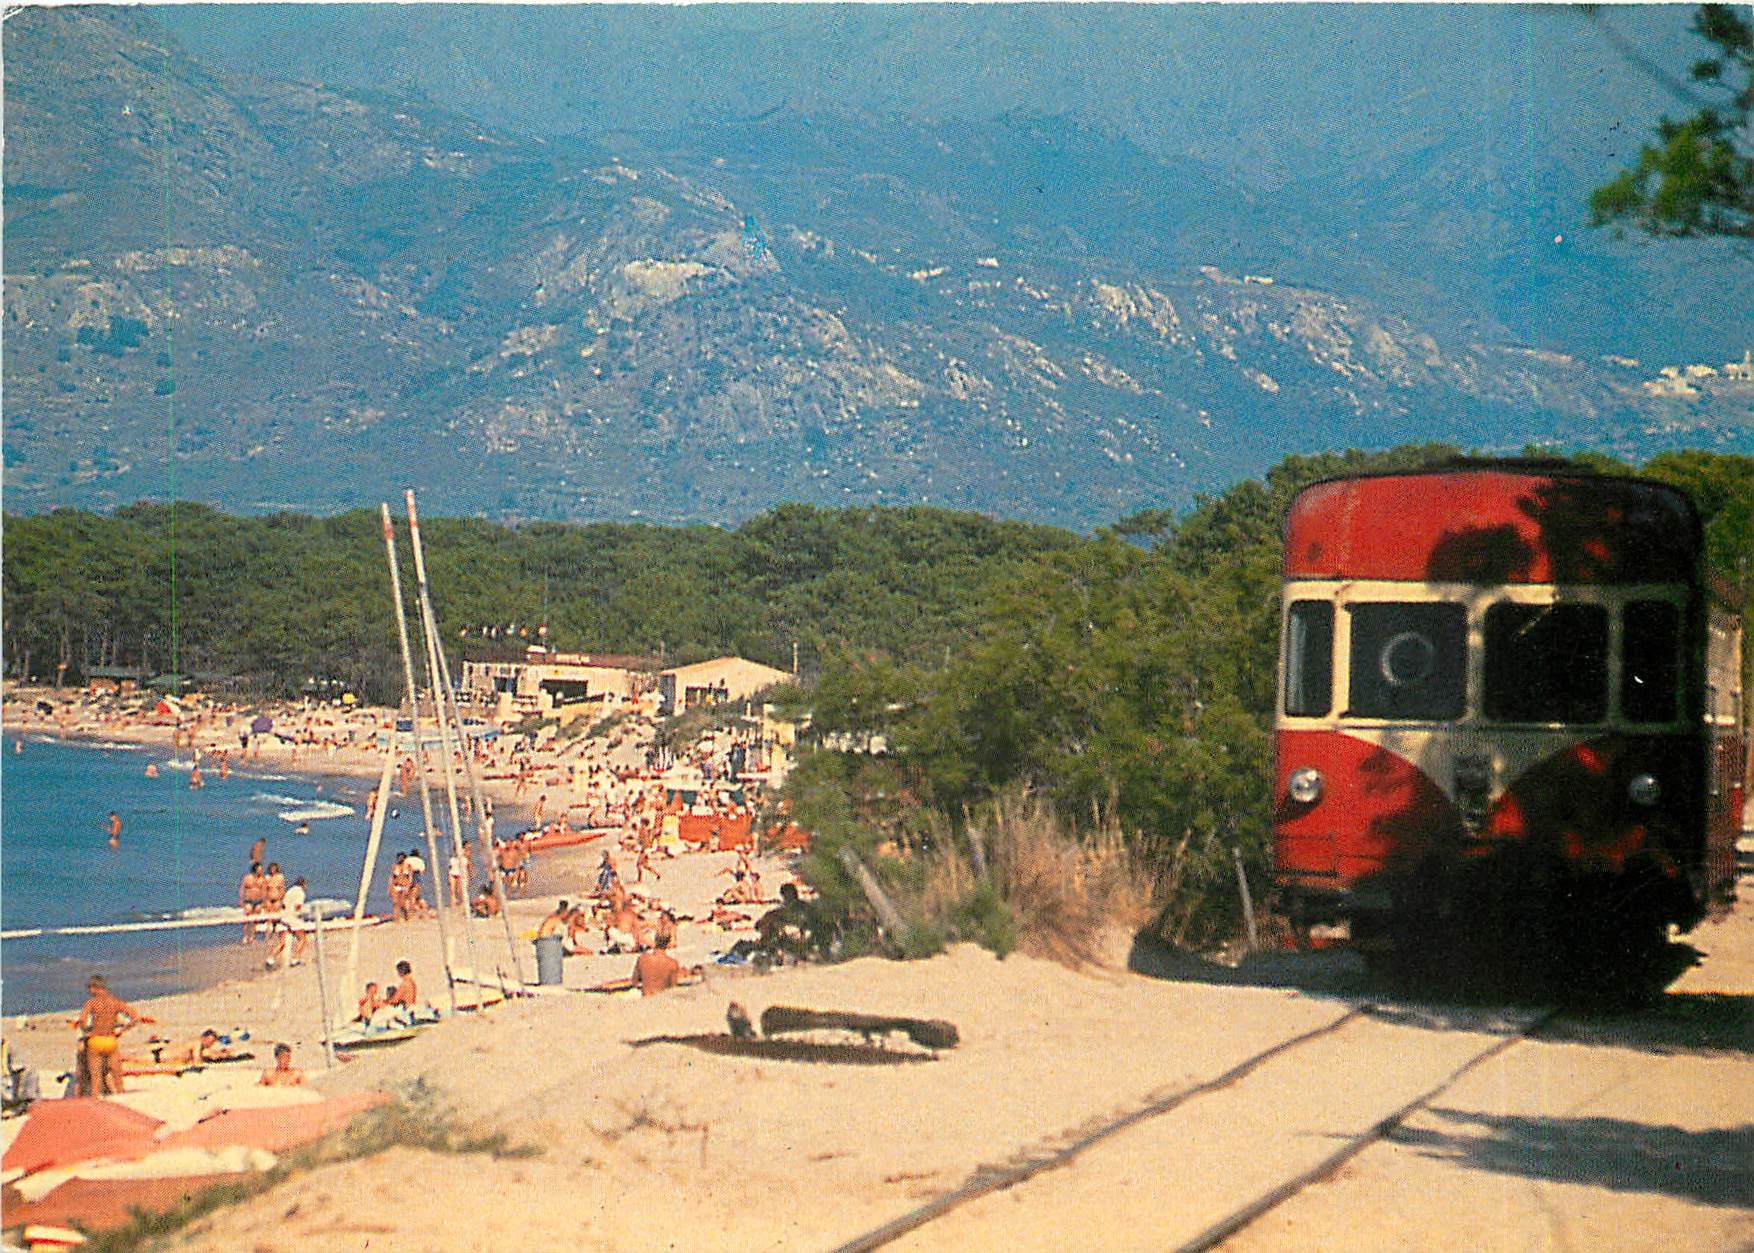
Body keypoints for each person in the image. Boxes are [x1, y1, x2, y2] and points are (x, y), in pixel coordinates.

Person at [75, 975, 153, 1096]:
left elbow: (82, 1021)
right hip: (111, 1041)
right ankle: (122, 1101)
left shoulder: (91, 1003)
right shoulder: (115, 1002)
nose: (89, 991)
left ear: (94, 987)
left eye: (89, 988)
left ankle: (96, 1104)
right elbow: (135, 1018)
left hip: (96, 1041)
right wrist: (122, 1030)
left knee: (96, 1079)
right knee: (118, 1078)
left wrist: (87, 1032)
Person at [632, 932, 700, 997]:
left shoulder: (642, 958)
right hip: (662, 1001)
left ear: (655, 940)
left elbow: (634, 982)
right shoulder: (672, 964)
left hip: (646, 999)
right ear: (668, 944)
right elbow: (673, 988)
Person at [266, 875, 310, 969]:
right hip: (293, 918)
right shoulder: (300, 893)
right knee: (302, 939)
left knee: (282, 943)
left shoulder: (289, 891)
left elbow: (284, 904)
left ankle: (270, 959)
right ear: (303, 884)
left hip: (284, 917)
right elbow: (298, 907)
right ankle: (295, 959)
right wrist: (299, 916)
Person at [239, 861, 268, 943]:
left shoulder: (262, 879)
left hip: (258, 900)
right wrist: (241, 900)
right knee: (247, 919)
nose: (261, 871)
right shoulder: (247, 878)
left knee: (255, 920)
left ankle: (252, 936)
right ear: (255, 869)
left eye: (261, 869)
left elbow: (264, 891)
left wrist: (264, 901)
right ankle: (245, 936)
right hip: (248, 900)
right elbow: (242, 889)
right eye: (259, 869)